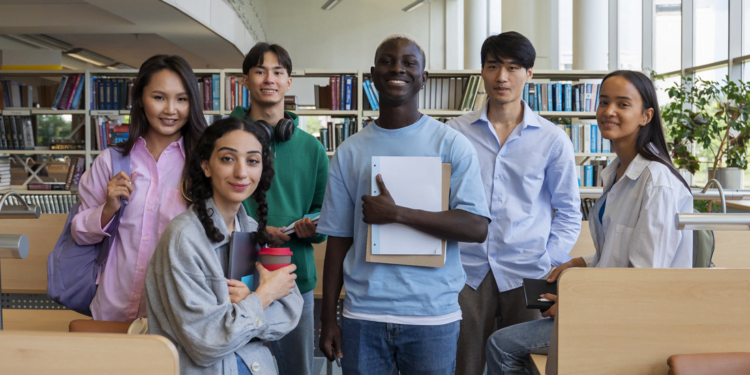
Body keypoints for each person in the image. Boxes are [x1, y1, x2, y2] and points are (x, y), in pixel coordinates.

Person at [484, 70, 694, 375]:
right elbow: (626, 250)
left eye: (623, 104)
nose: (609, 112)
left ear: (646, 116)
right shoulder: (616, 172)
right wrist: (581, 261)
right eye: (604, 102)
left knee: (502, 345)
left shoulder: (657, 182)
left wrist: (576, 307)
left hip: (637, 319)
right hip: (612, 308)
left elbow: (646, 277)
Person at [317, 34, 491, 375]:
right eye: (387, 61)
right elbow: (338, 241)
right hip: (363, 315)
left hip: (432, 316)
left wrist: (396, 214)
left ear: (423, 77)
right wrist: (328, 320)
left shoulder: (451, 145)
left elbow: (477, 227)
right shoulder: (350, 151)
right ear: (372, 75)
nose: (397, 68)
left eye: (409, 63)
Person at [446, 31, 582, 375]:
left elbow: (568, 211)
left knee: (526, 366)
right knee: (463, 365)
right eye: (493, 66)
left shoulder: (552, 139)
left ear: (529, 73)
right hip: (465, 270)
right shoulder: (454, 133)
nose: (502, 77)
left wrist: (549, 261)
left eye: (512, 67)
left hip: (528, 272)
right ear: (482, 71)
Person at [145, 117, 303, 375]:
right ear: (206, 166)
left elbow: (290, 312)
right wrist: (262, 298)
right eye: (228, 159)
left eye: (252, 161)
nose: (241, 172)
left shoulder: (252, 229)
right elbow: (206, 343)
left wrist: (247, 308)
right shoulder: (183, 238)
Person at [72, 55, 207, 322]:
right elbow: (79, 233)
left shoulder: (205, 165)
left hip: (176, 313)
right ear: (140, 100)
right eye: (159, 97)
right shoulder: (111, 161)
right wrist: (108, 209)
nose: (171, 109)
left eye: (181, 99)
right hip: (111, 307)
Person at [229, 42, 328, 375]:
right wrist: (256, 229)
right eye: (259, 71)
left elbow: (324, 209)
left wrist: (314, 226)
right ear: (245, 80)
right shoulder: (224, 139)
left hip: (293, 279)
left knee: (296, 369)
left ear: (288, 82)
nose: (268, 79)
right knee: (235, 365)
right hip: (233, 275)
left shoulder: (312, 147)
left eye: (277, 72)